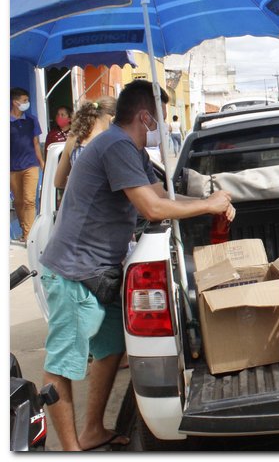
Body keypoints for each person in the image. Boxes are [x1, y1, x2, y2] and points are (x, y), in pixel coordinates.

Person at [39, 80, 235, 451]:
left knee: (112, 347)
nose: (164, 125)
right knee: (62, 364)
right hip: (73, 273)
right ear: (145, 117)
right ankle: (70, 448)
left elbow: (163, 194)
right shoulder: (115, 145)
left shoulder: (132, 150)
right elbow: (152, 208)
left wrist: (212, 199)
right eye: (160, 117)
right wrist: (208, 205)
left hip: (99, 272)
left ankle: (93, 429)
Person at [54, 97, 117, 191]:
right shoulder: (111, 140)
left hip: (79, 203)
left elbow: (58, 182)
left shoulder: (73, 138)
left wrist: (80, 185)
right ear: (113, 118)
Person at [10, 87, 44, 242]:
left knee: (29, 200)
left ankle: (29, 236)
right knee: (18, 201)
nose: (27, 103)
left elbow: (36, 143)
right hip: (12, 168)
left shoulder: (32, 120)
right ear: (15, 102)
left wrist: (41, 162)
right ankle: (25, 231)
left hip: (31, 164)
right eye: (24, 101)